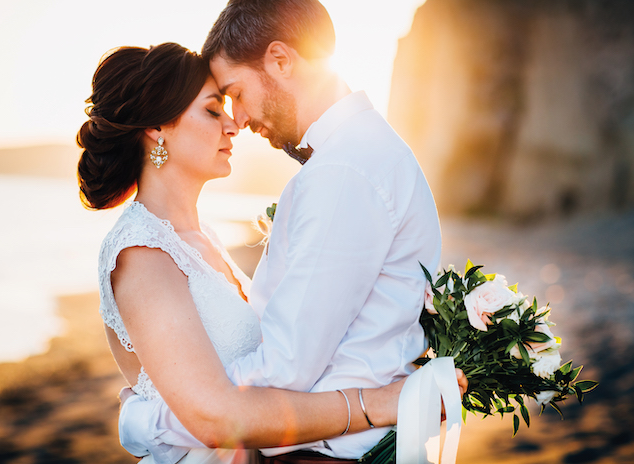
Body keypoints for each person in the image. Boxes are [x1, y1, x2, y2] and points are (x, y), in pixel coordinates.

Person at [77, 42, 466, 464]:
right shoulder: (141, 253)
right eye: (212, 110)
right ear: (157, 129)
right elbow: (215, 417)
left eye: (229, 105)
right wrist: (376, 403)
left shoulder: (201, 238)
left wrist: (150, 419)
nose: (232, 124)